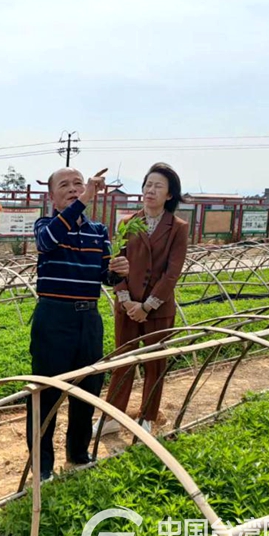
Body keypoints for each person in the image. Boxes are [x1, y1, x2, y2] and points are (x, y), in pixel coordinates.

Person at [28, 167, 129, 481]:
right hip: (53, 318)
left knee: (87, 388)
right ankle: (42, 465)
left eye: (78, 184)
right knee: (46, 392)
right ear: (52, 195)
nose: (73, 189)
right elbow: (47, 242)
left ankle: (78, 452)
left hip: (89, 318)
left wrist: (119, 271)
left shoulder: (98, 231)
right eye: (65, 185)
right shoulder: (45, 226)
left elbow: (105, 276)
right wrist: (84, 200)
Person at [100, 163, 189, 435]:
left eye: (158, 186)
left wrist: (147, 306)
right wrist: (127, 301)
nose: (150, 190)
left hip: (157, 308)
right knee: (122, 361)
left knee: (154, 363)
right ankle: (111, 418)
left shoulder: (178, 228)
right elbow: (116, 262)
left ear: (169, 194)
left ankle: (147, 417)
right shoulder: (127, 223)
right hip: (127, 306)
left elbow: (172, 273)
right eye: (148, 185)